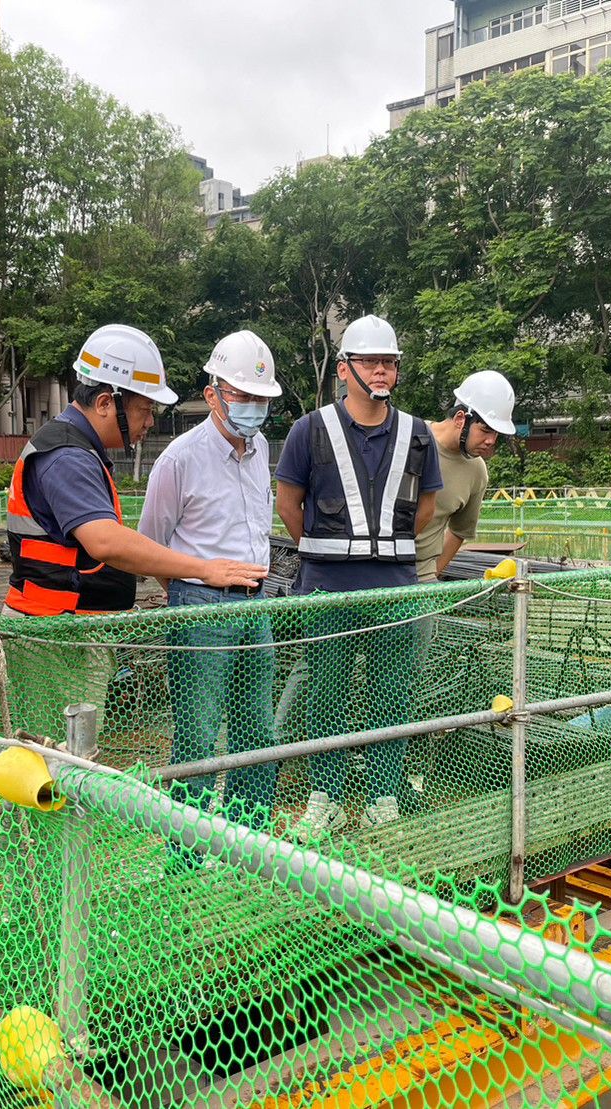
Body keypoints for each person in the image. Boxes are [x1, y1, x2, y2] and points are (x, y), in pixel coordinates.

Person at [2, 324, 266, 743]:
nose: (148, 423)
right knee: (53, 761)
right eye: (145, 410)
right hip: (52, 633)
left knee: (69, 757)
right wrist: (203, 570)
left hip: (70, 629)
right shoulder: (67, 455)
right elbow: (106, 542)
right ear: (107, 403)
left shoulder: (80, 450)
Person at [275, 314, 442, 833]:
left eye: (389, 363)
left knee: (393, 696)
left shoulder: (418, 434)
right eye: (370, 361)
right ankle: (323, 796)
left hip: (395, 589)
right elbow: (288, 504)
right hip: (327, 588)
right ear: (344, 369)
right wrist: (333, 551)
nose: (381, 371)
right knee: (326, 694)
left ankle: (382, 797)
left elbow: (427, 511)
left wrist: (381, 552)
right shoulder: (309, 429)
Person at [137, 331, 281, 835]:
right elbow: (152, 544)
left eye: (261, 398)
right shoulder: (180, 458)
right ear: (214, 391)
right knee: (197, 735)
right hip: (200, 607)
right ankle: (188, 854)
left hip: (256, 602)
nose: (254, 407)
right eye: (243, 395)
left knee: (257, 730)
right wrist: (192, 587)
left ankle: (251, 840)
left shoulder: (261, 448)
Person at [415, 371, 516, 582]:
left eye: (496, 433)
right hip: (378, 570)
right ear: (461, 418)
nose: (491, 441)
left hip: (421, 581)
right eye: (486, 430)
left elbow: (460, 531)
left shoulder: (476, 471)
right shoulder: (410, 437)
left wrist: (430, 576)